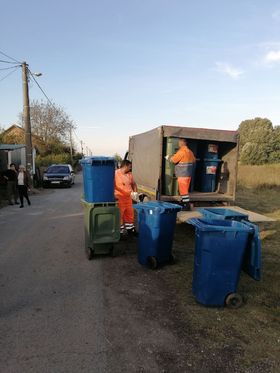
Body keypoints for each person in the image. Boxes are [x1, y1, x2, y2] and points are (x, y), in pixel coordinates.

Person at [165, 138, 196, 211]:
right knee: (185, 190)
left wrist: (168, 157)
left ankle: (186, 205)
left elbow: (174, 160)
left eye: (179, 143)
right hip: (188, 174)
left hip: (182, 174)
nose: (178, 144)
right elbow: (194, 160)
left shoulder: (181, 151)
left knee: (183, 191)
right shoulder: (190, 152)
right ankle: (184, 203)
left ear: (181, 143)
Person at [115, 160, 138, 235]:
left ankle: (130, 229)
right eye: (129, 167)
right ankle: (120, 232)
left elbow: (134, 184)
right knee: (119, 215)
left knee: (130, 214)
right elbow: (110, 185)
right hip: (119, 198)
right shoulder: (115, 174)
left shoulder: (129, 174)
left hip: (128, 199)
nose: (130, 168)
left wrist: (135, 192)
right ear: (125, 166)